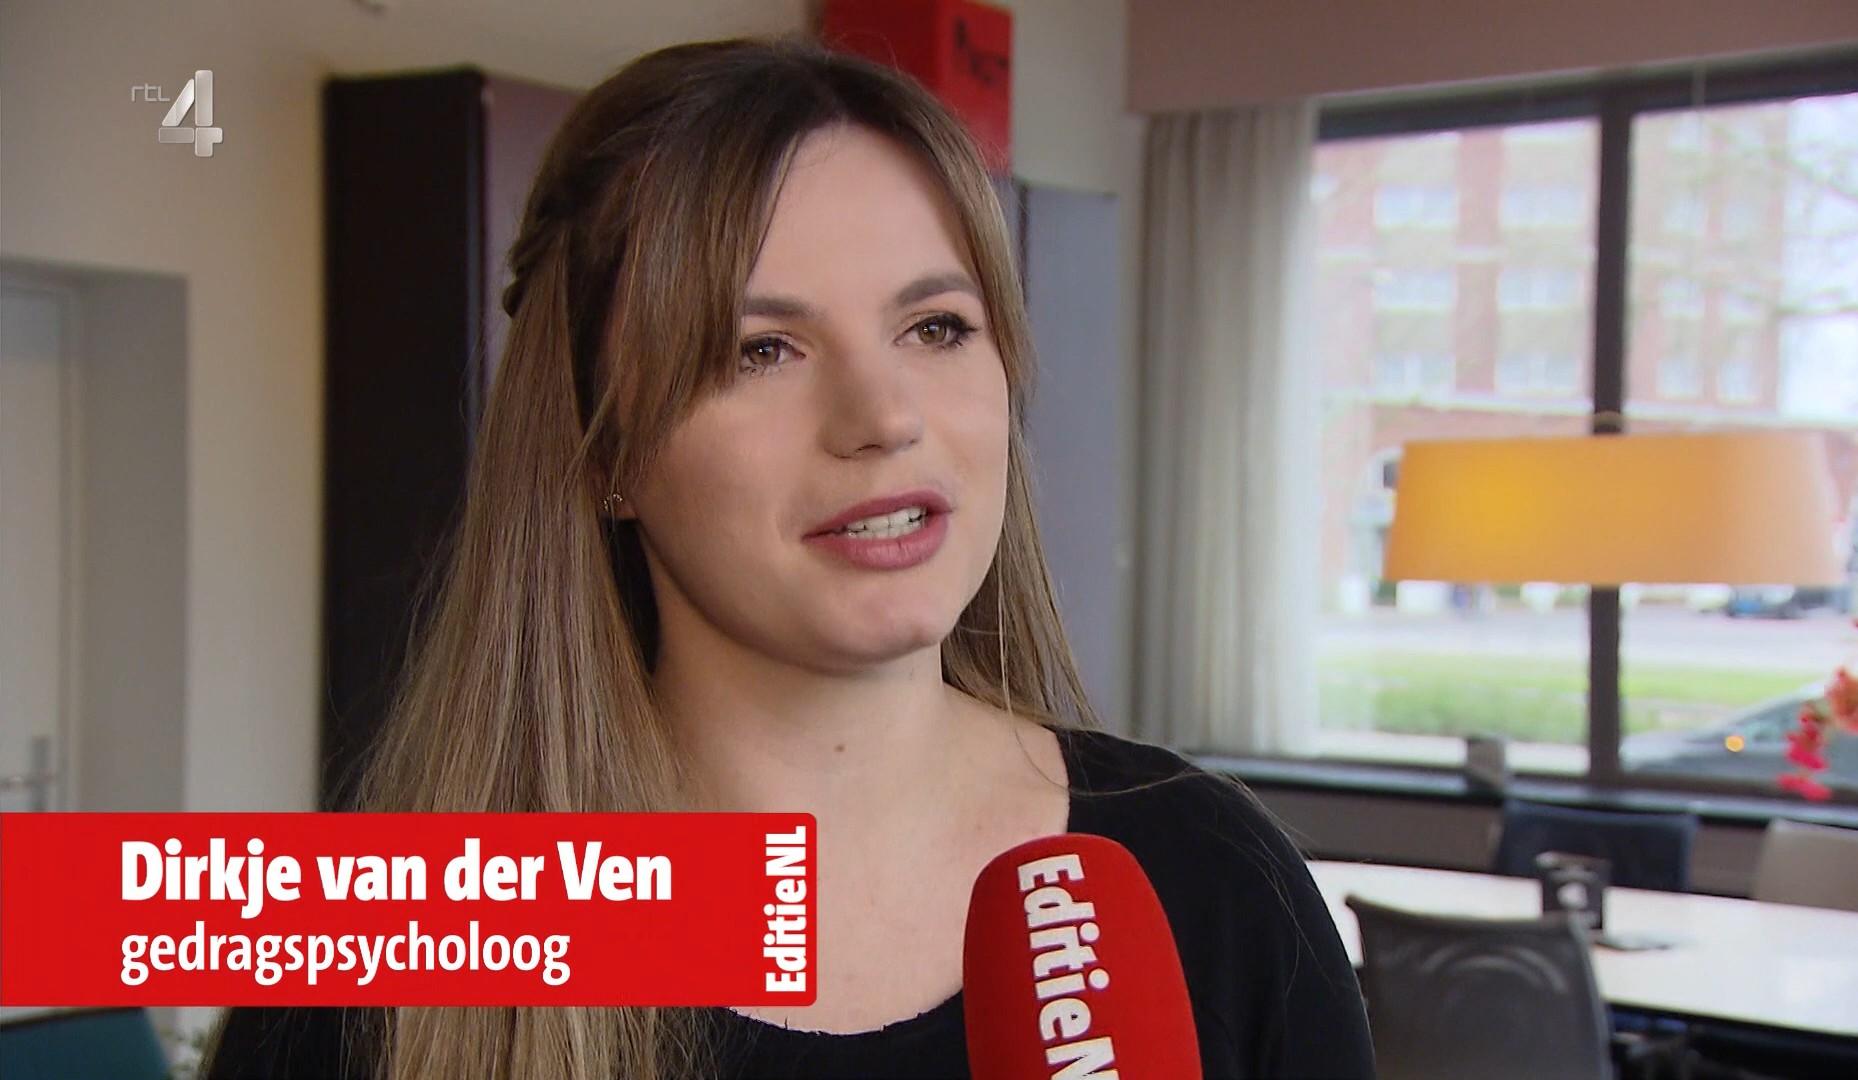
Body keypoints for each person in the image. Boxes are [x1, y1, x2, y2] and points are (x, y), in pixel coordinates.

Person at [204, 37, 1374, 1080]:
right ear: (606, 453)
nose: (883, 415)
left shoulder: (1216, 887)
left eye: (935, 327)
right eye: (762, 349)